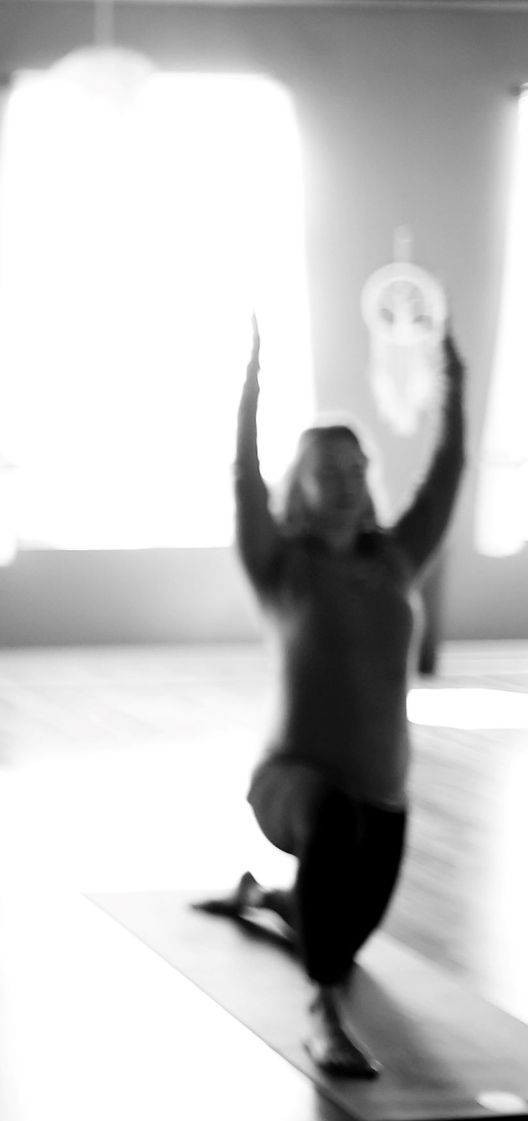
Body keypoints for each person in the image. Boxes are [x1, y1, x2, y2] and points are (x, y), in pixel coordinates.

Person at [196, 318, 465, 1078]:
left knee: (340, 940)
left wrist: (455, 380)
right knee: (330, 838)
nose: (345, 480)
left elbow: (447, 470)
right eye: (327, 469)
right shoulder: (279, 563)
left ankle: (267, 899)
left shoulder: (398, 558)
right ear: (302, 487)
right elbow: (242, 474)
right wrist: (252, 382)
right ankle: (321, 1015)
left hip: (384, 797)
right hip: (291, 785)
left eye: (354, 467)